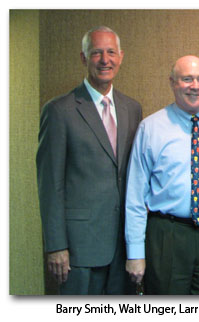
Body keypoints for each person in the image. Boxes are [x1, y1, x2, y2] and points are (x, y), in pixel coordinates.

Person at [36, 26, 142, 295]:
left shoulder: (132, 108)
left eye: (110, 52)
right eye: (96, 53)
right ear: (84, 58)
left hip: (124, 245)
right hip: (79, 249)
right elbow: (50, 185)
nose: (105, 60)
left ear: (121, 56)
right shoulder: (60, 110)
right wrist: (56, 245)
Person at [125, 55, 199, 295]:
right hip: (167, 234)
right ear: (172, 83)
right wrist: (135, 253)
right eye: (187, 79)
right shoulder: (150, 128)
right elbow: (135, 197)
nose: (195, 86)